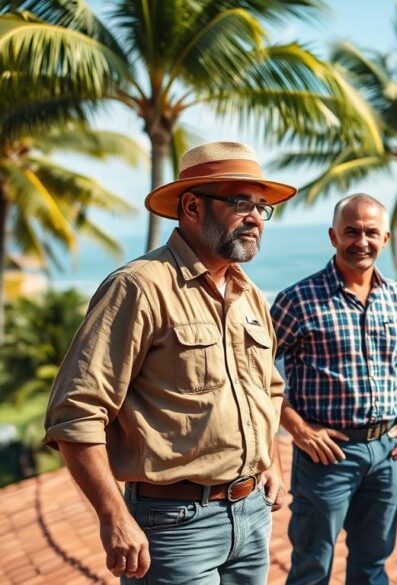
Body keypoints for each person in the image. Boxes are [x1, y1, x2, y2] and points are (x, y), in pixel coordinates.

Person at [43, 141, 294, 583]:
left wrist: (269, 461)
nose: (256, 217)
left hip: (253, 517)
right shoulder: (138, 287)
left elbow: (266, 390)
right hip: (174, 527)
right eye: (241, 203)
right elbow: (76, 413)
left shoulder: (250, 294)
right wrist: (113, 516)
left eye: (261, 206)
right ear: (193, 206)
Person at [272, 194, 397, 585]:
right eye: (351, 231)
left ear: (386, 238)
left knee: (373, 566)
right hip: (327, 454)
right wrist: (298, 429)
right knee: (312, 568)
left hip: (385, 451)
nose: (362, 241)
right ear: (333, 236)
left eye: (371, 232)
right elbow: (253, 374)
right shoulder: (297, 300)